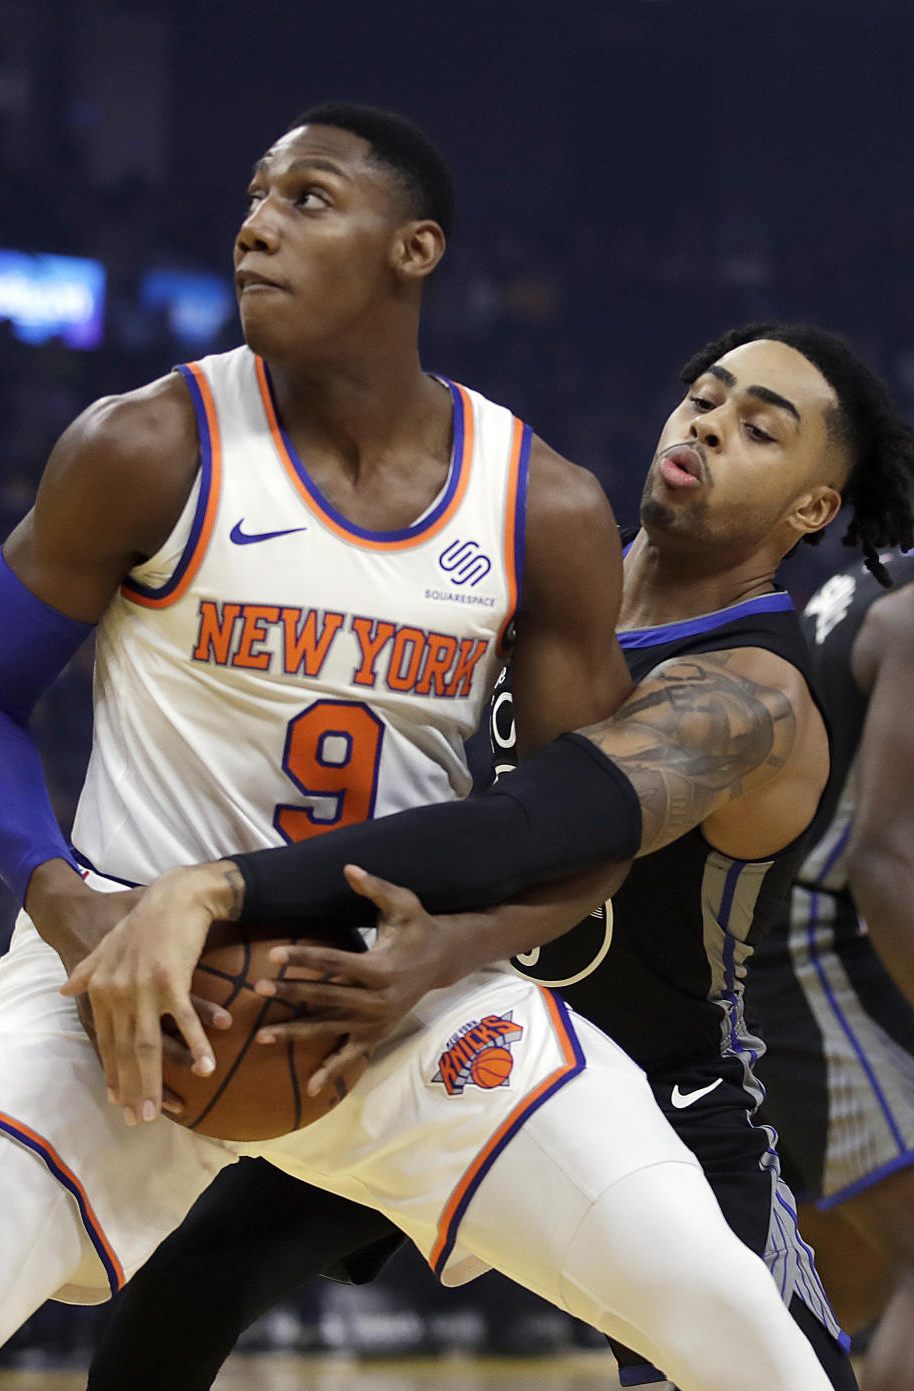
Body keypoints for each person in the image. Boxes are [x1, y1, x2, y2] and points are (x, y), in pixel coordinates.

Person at [0, 103, 821, 1391]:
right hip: (127, 985)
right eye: (253, 197)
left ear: (414, 249)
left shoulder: (537, 500)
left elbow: (582, 822)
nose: (255, 225)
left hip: (401, 1002)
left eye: (306, 199)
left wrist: (455, 950)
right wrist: (72, 912)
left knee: (744, 1336)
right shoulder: (148, 441)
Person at [78, 322, 911, 1390]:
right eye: (706, 392)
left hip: (658, 1094)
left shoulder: (753, 692)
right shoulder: (550, 585)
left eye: (760, 428)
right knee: (194, 1276)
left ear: (812, 509)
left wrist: (222, 887)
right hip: (462, 1027)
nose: (710, 421)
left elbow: (532, 827)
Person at [748, 549, 914, 1391]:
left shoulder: (873, 579)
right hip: (815, 951)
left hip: (779, 943)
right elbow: (883, 855)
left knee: (835, 1291)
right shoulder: (908, 616)